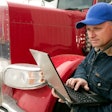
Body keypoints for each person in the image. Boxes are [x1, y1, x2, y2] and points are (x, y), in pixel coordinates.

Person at [52, 2, 112, 112]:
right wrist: (80, 78)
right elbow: (83, 65)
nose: (91, 35)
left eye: (97, 28)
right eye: (88, 29)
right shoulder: (98, 49)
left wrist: (77, 105)